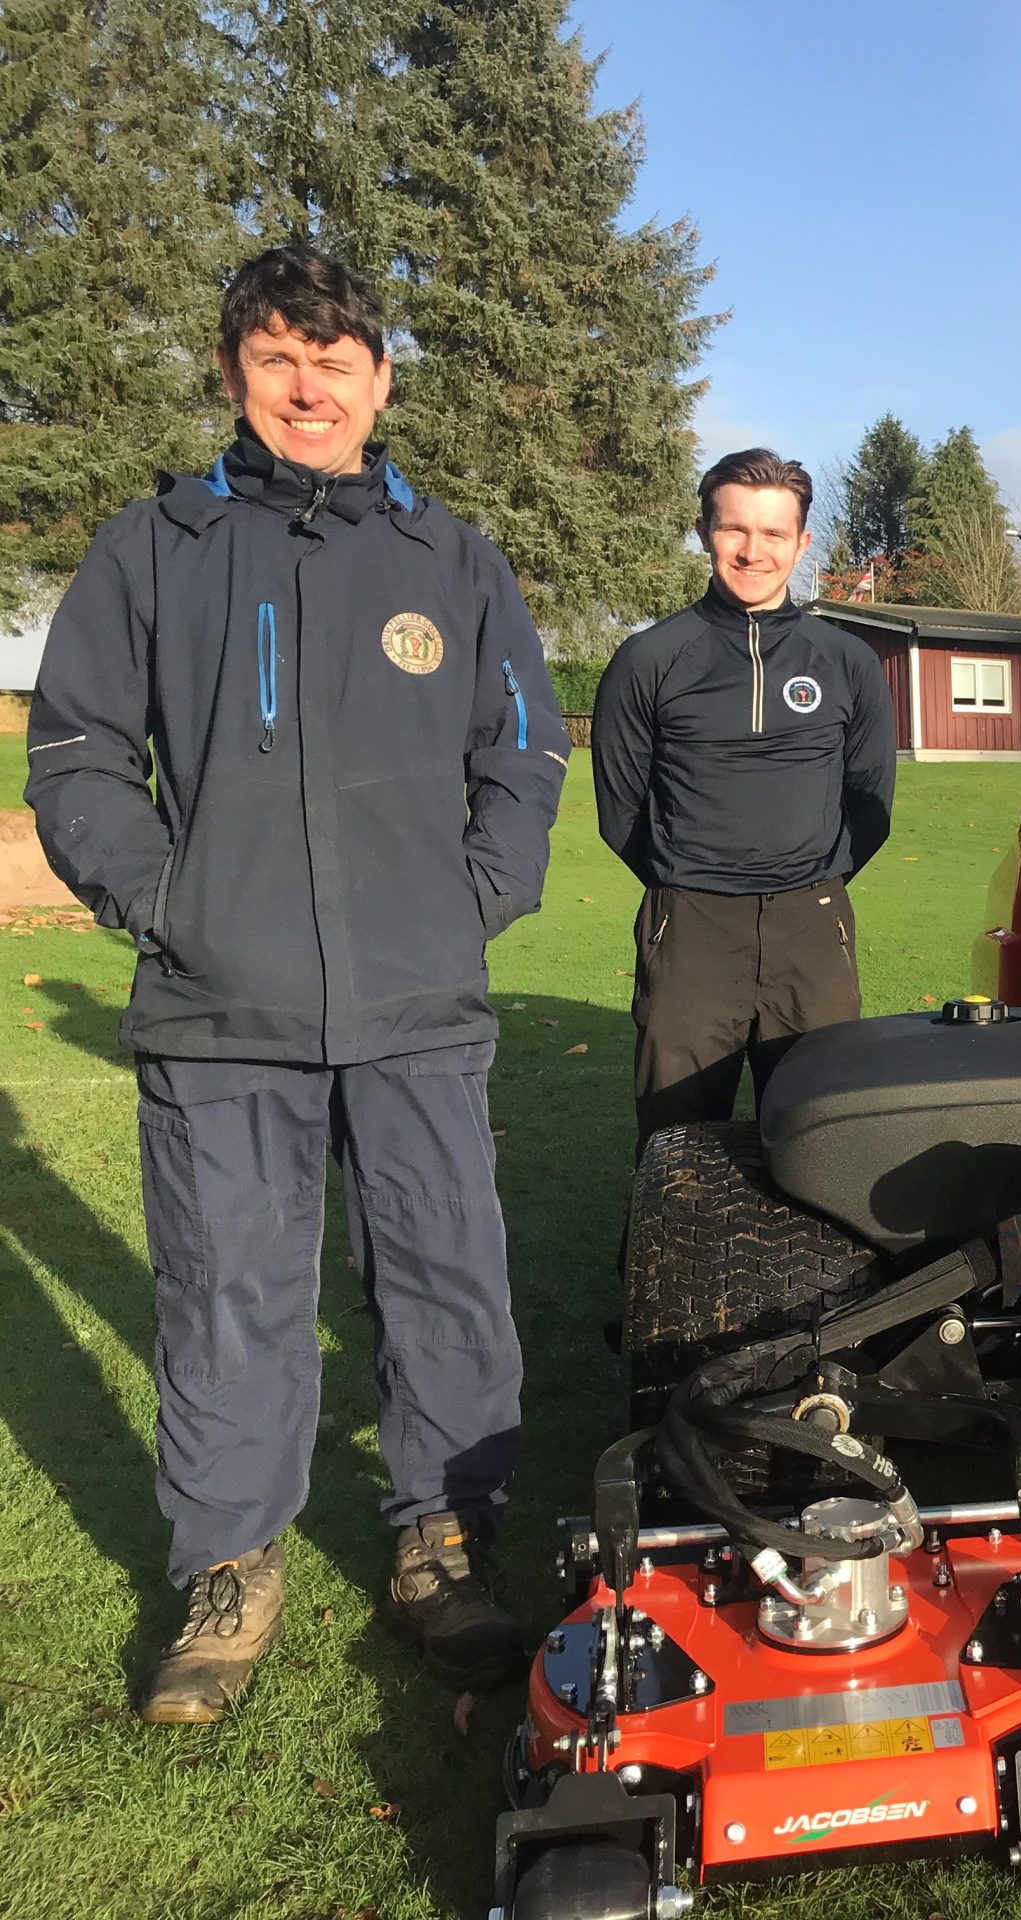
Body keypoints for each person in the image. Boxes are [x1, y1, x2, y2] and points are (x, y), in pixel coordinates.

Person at [24, 245, 570, 1720]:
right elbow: (76, 752)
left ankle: (443, 1544)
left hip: (416, 1007)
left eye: (336, 362)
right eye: (277, 360)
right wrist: (165, 900)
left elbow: (523, 747)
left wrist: (473, 902)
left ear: (381, 381)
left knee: (445, 1280)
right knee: (227, 1296)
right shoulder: (156, 547)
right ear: (232, 377)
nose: (308, 388)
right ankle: (231, 1566)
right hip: (220, 1015)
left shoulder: (450, 559)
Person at [591, 449, 895, 1141]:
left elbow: (870, 802)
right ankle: (669, 1254)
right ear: (704, 531)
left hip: (812, 926)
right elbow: (622, 810)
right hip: (691, 926)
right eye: (735, 530)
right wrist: (695, 880)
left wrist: (803, 877)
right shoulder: (650, 659)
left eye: (774, 534)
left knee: (820, 1138)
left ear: (802, 542)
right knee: (677, 1141)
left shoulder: (846, 662)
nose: (753, 551)